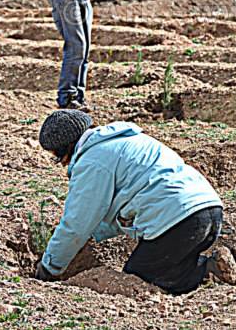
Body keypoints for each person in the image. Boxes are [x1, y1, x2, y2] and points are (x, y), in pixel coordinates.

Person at [34, 110, 223, 294]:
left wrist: (49, 268)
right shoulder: (128, 140)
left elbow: (76, 224)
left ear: (66, 149)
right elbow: (119, 206)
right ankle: (225, 264)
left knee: (140, 276)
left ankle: (210, 272)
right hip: (209, 209)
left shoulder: (91, 162)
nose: (63, 164)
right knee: (172, 260)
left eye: (58, 159)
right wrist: (93, 235)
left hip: (178, 220)